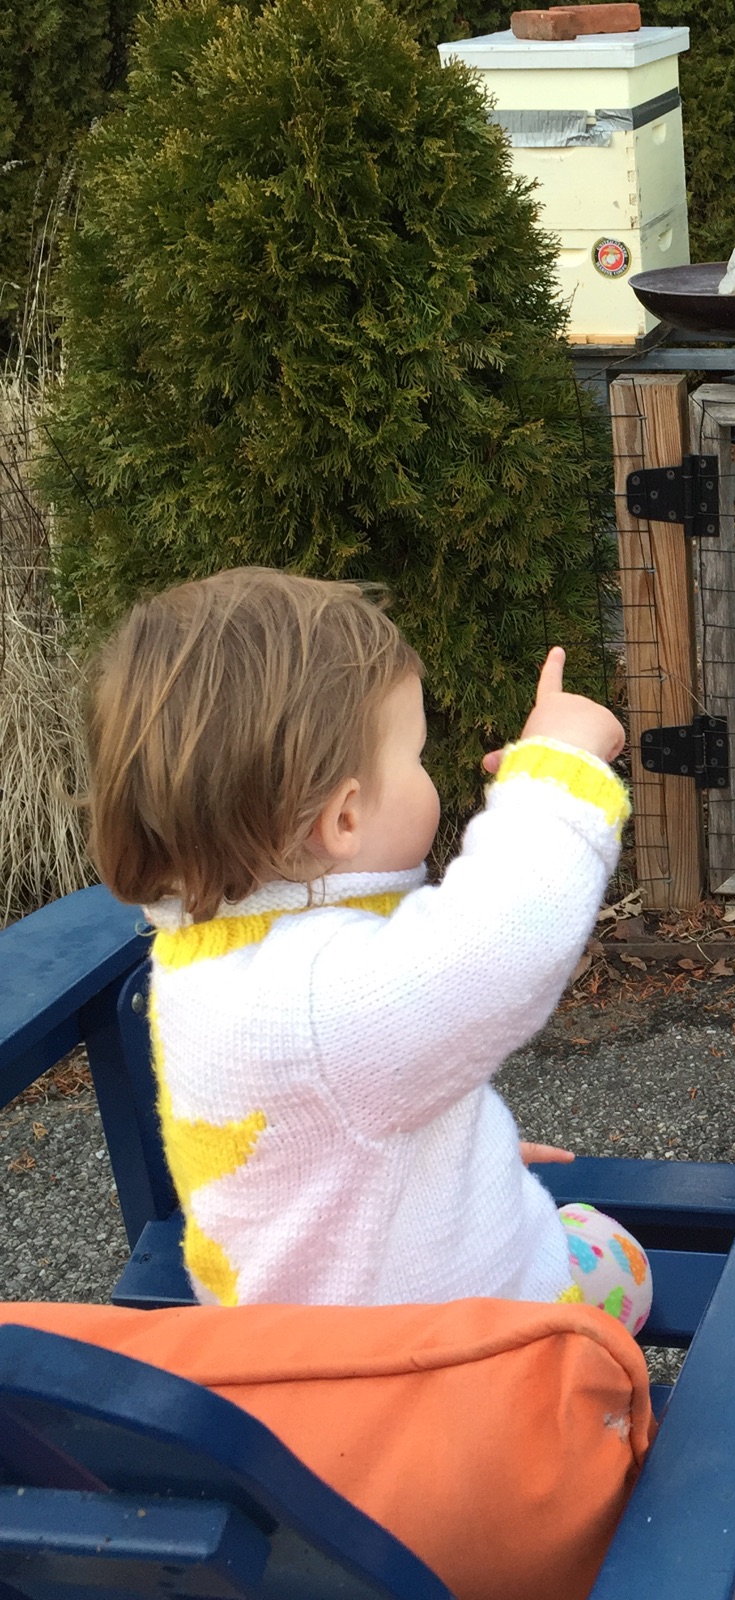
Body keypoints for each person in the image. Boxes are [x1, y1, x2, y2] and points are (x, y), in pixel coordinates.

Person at [85, 567, 652, 1333]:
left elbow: (322, 1136)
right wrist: (559, 771)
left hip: (296, 1356)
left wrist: (455, 1149)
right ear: (343, 818)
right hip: (448, 1369)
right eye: (416, 756)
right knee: (621, 1260)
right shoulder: (320, 994)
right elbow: (505, 941)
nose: (430, 775)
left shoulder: (208, 954)